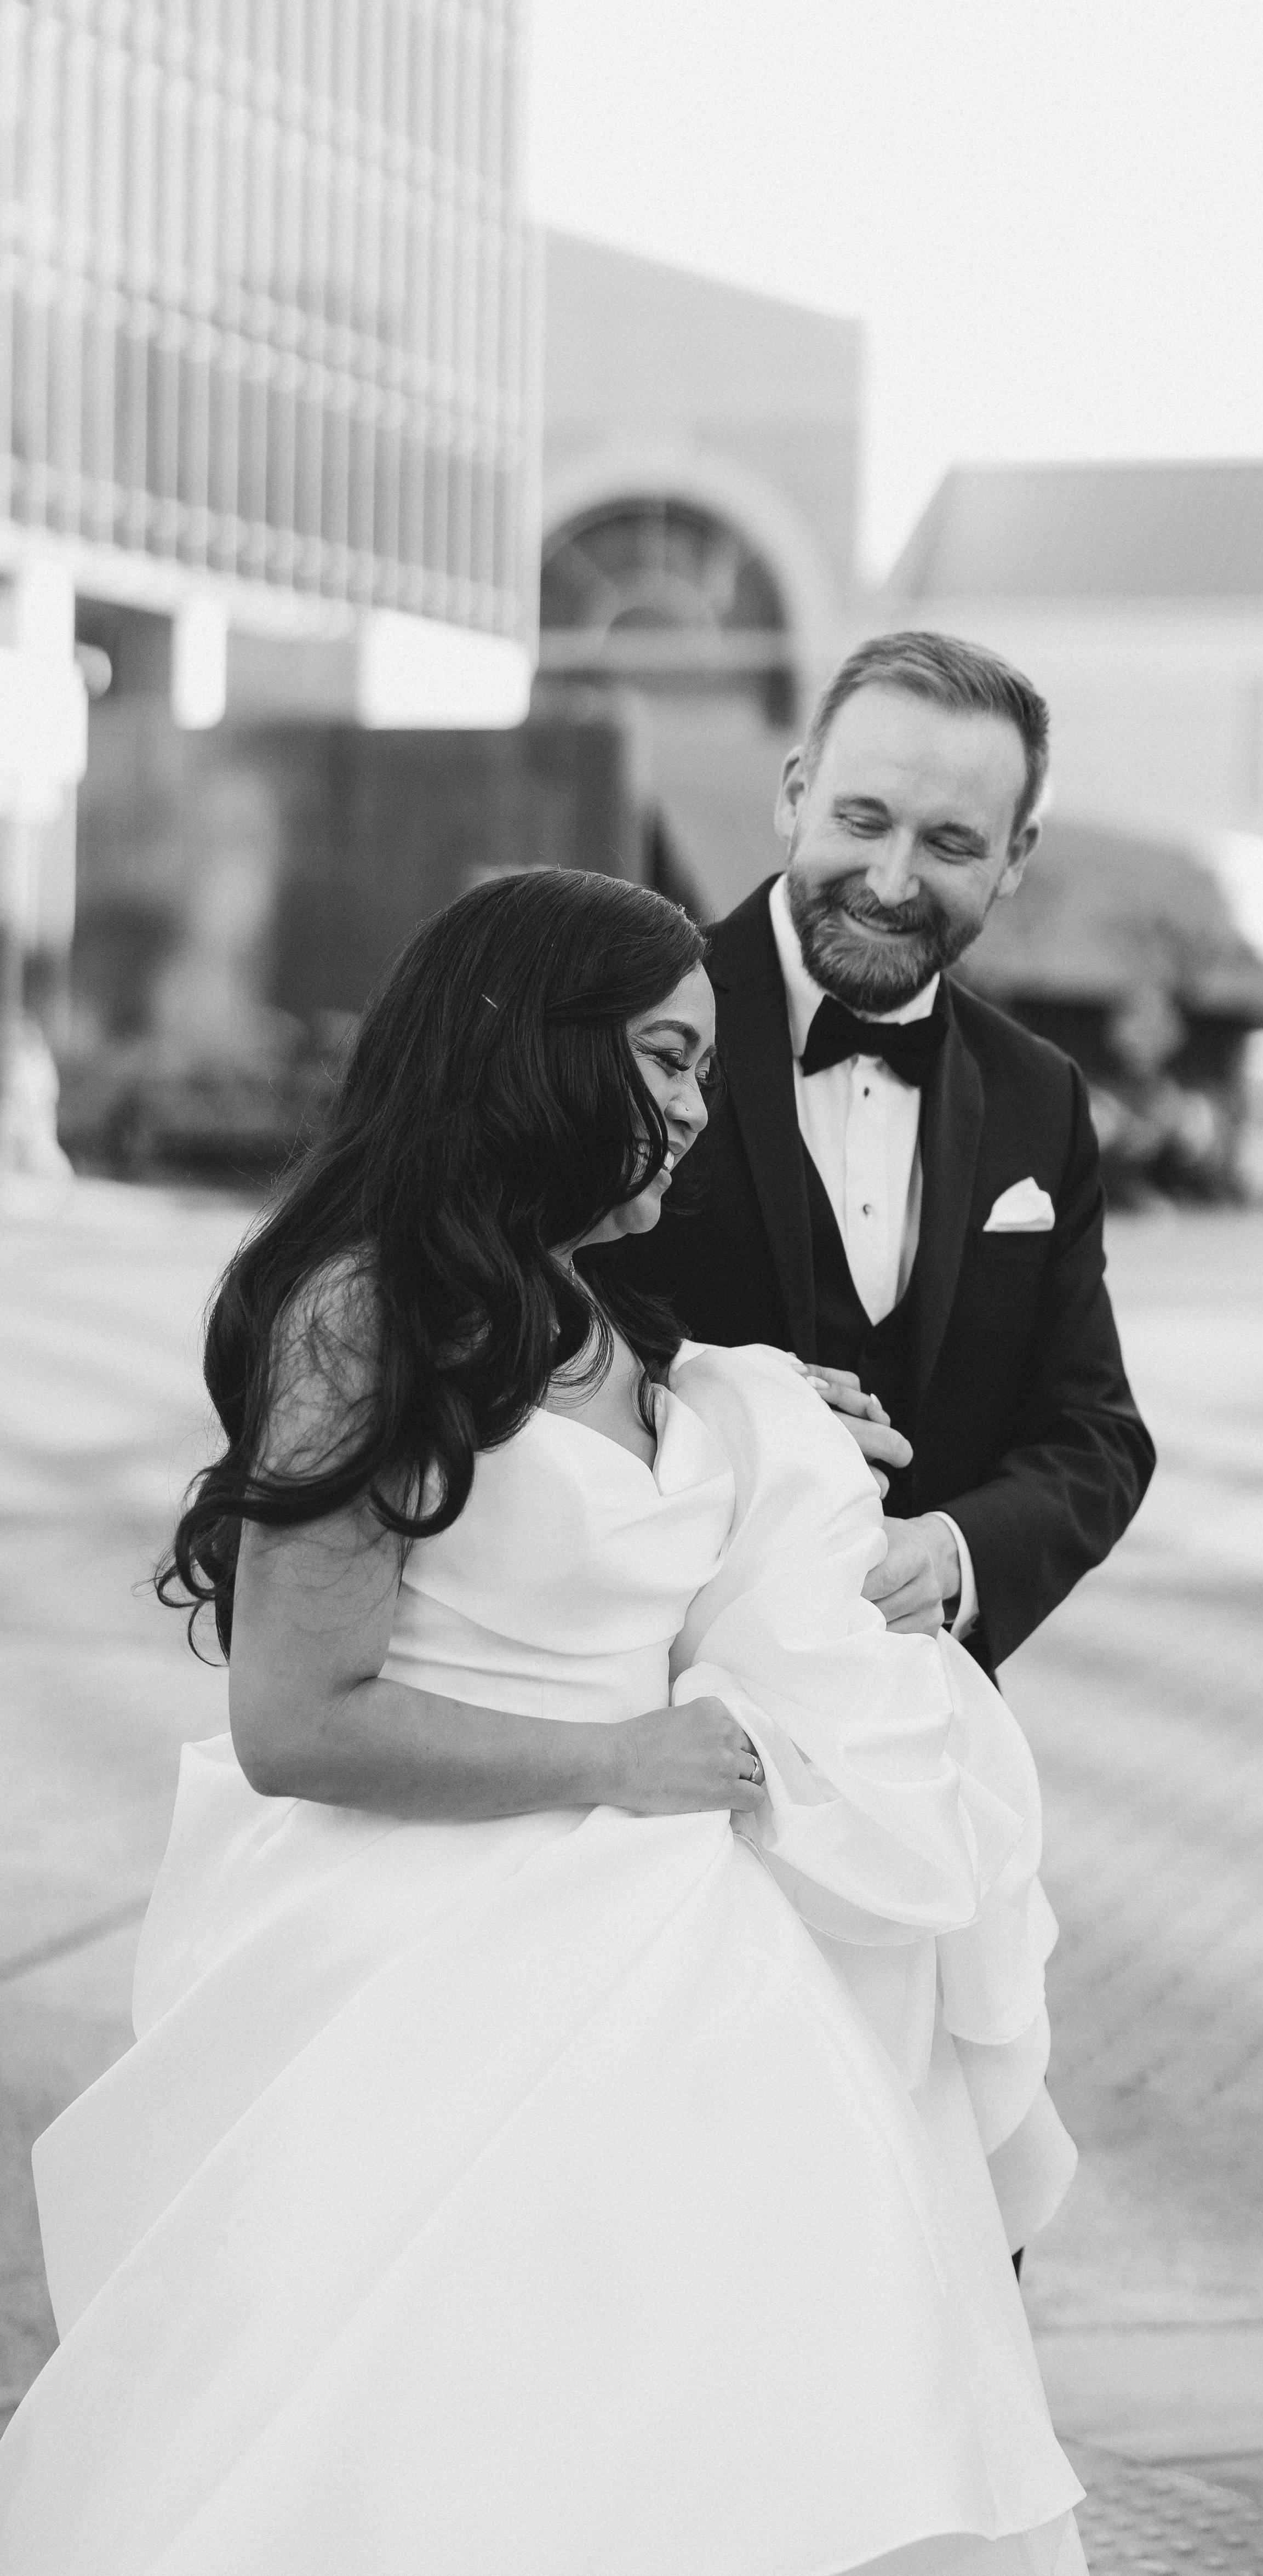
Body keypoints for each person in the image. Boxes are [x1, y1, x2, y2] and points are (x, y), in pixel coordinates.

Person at [0, 871, 1086, 2576]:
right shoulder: (361, 1315)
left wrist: (765, 1426)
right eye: (659, 1056)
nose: (689, 1105)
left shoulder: (598, 1322)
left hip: (673, 1933)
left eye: (702, 1063)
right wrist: (621, 1761)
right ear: (530, 1053)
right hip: (427, 1947)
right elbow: (295, 1717)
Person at [619, 630, 1153, 1673]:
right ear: (794, 794)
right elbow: (481, 1334)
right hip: (635, 1696)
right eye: (862, 821)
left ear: (1014, 859)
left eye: (951, 844)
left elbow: (1095, 1434)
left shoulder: (1039, 1098)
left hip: (914, 1729)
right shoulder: (618, 1021)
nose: (892, 880)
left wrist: (953, 1556)